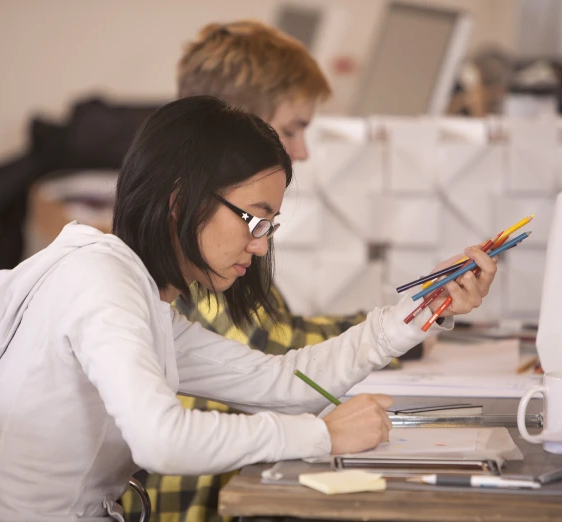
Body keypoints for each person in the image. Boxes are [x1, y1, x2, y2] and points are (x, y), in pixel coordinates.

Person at [0, 97, 497, 521]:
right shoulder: (101, 283)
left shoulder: (138, 292)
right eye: (254, 220)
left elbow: (284, 382)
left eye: (270, 227)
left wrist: (423, 309)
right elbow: (161, 440)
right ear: (182, 200)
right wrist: (322, 436)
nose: (260, 246)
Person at [139, 22, 401, 522]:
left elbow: (275, 375)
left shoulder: (209, 246)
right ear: (238, 132)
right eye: (290, 130)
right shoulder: (180, 262)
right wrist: (325, 433)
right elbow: (272, 347)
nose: (300, 151)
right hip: (196, 500)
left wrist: (408, 320)